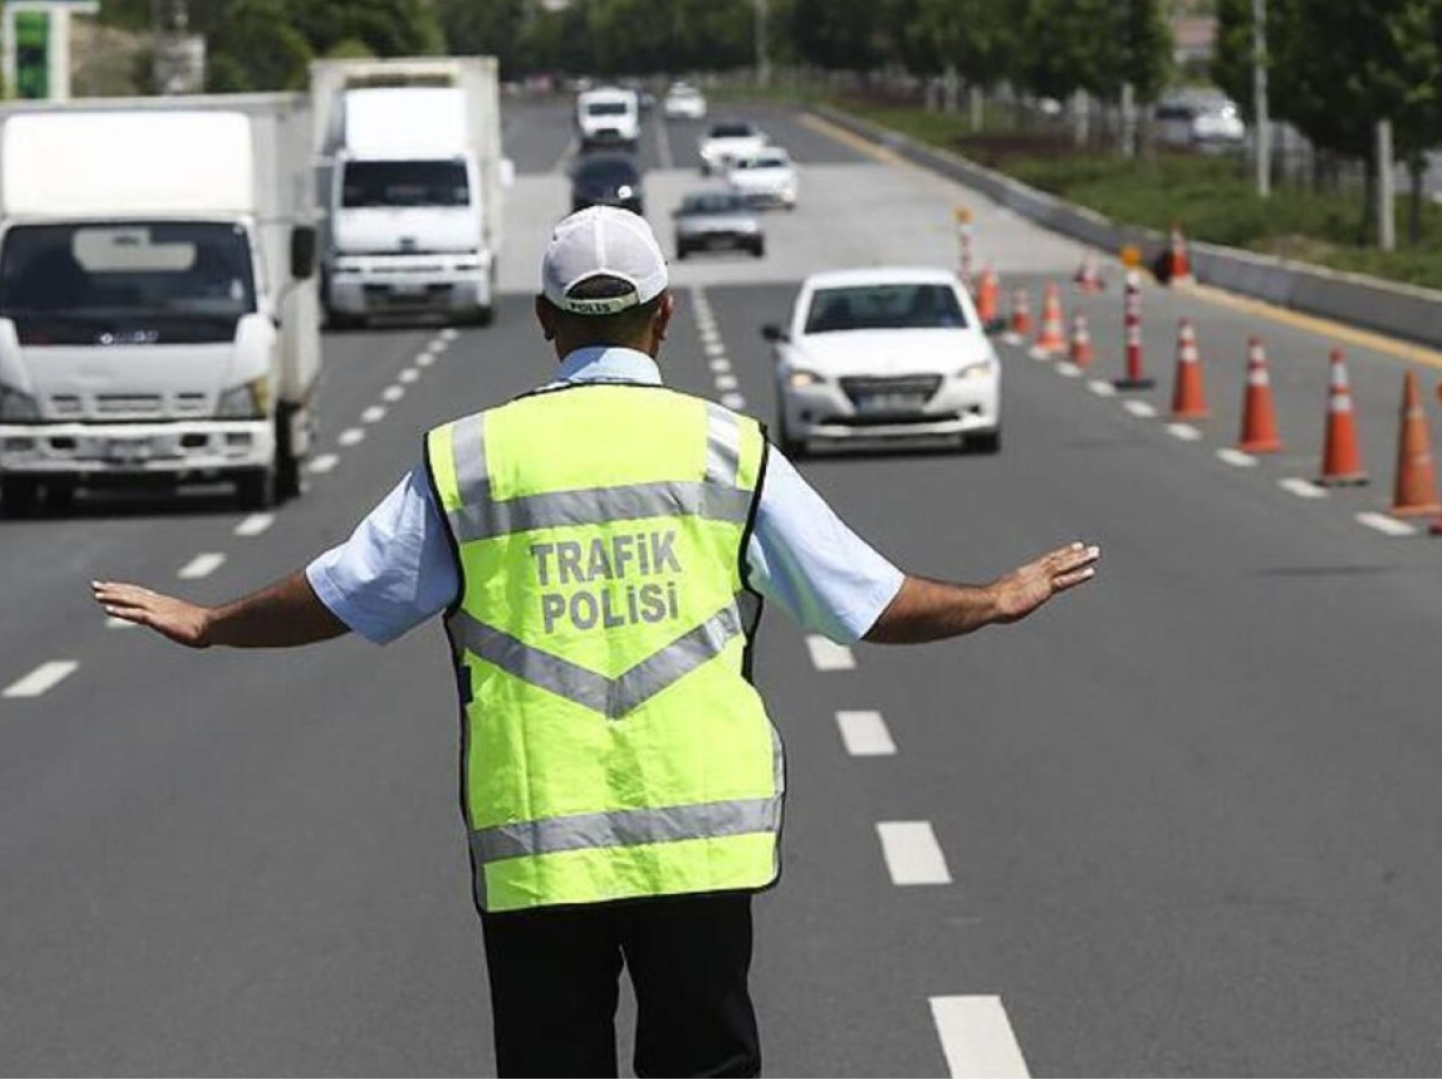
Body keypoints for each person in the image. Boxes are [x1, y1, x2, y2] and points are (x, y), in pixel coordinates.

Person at [93, 206, 1100, 1078]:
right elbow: (866, 603)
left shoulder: (472, 458)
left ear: (543, 321)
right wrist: (995, 597)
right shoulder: (726, 449)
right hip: (700, 841)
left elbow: (346, 593)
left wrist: (211, 624)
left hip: (540, 838)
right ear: (664, 316)